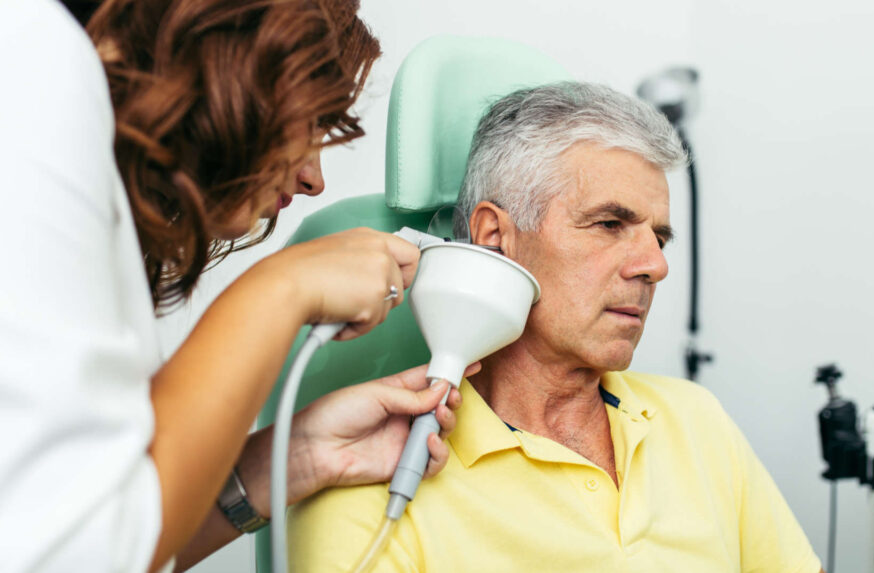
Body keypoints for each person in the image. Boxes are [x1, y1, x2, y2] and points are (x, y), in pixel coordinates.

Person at [0, 0, 466, 571]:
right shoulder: (32, 58)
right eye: (315, 123)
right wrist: (279, 288)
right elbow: (72, 553)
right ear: (241, 46)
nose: (314, 179)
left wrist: (297, 459)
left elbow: (109, 525)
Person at [288, 82, 824, 572]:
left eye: (658, 238)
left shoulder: (695, 420)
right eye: (610, 224)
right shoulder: (372, 478)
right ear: (495, 237)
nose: (655, 266)